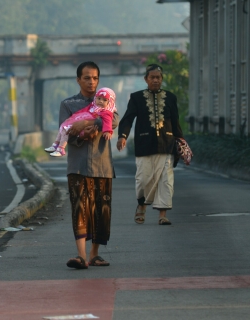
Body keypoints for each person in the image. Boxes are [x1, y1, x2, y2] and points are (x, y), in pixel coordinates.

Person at [61, 61, 118, 270]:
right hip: (77, 166)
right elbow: (66, 131)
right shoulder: (68, 104)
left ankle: (95, 254)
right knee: (79, 209)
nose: (91, 82)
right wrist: (82, 132)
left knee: (101, 211)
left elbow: (114, 120)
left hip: (102, 165)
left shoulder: (107, 100)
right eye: (86, 77)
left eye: (94, 78)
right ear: (78, 80)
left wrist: (85, 123)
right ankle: (81, 256)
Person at [116, 64, 184, 226]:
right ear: (146, 79)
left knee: (165, 180)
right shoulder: (137, 98)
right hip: (144, 144)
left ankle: (163, 215)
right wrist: (123, 136)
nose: (155, 80)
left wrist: (180, 141)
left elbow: (175, 122)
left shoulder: (170, 97)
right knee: (143, 179)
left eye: (158, 77)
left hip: (166, 144)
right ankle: (141, 205)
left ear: (162, 79)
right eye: (152, 77)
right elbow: (128, 118)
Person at [46, 87, 117, 157]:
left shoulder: (105, 112)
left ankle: (61, 149)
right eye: (99, 98)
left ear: (109, 102)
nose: (101, 101)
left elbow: (108, 121)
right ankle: (56, 144)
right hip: (79, 120)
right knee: (62, 127)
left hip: (86, 128)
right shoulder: (92, 107)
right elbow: (83, 111)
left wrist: (107, 131)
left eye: (104, 100)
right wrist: (72, 117)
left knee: (66, 130)